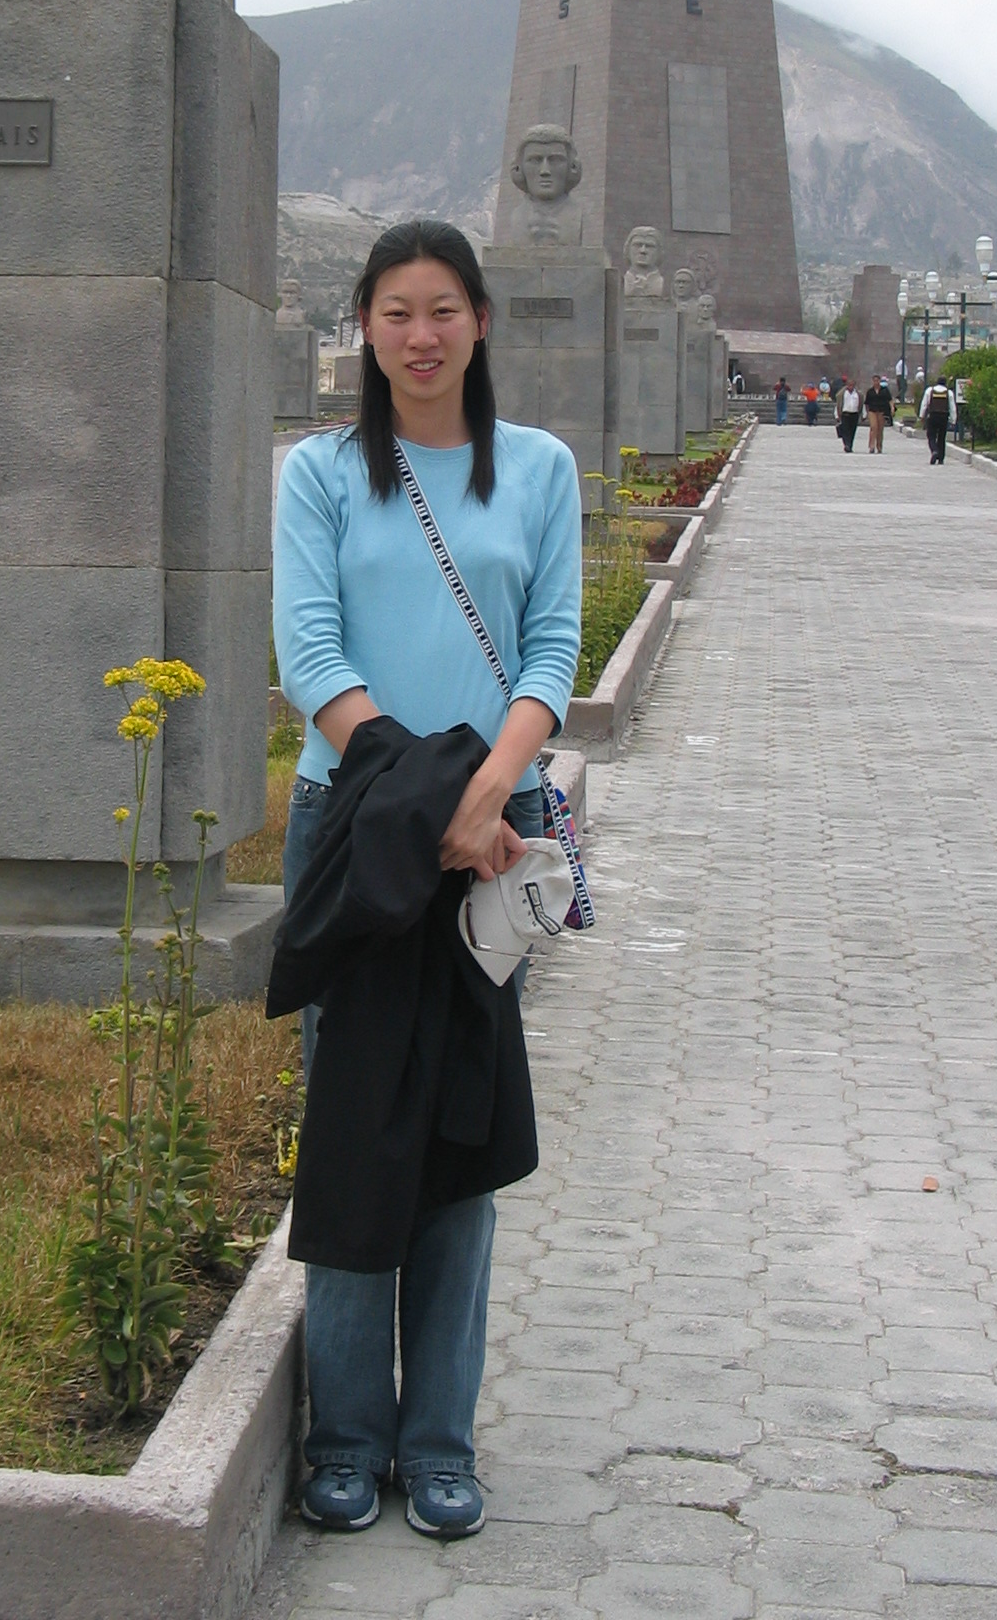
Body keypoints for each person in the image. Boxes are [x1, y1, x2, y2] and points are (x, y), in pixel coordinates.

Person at [272, 219, 582, 1543]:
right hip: (355, 827)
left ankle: (439, 1441)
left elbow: (552, 650)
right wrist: (421, 795)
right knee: (353, 1126)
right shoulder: (321, 473)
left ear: (479, 322)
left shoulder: (541, 469)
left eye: (443, 309)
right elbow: (309, 653)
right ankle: (345, 1437)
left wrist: (484, 794)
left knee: (461, 1132)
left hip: (489, 836)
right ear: (366, 325)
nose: (420, 334)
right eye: (395, 311)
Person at [919, 375, 952, 463]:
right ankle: (941, 458)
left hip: (932, 415)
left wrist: (922, 416)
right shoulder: (949, 392)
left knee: (931, 435)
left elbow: (924, 404)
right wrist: (953, 419)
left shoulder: (930, 390)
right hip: (944, 416)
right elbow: (952, 407)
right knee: (942, 437)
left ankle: (934, 450)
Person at [864, 375, 893, 453]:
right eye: (874, 381)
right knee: (873, 427)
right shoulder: (870, 391)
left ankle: (879, 446)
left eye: (877, 380)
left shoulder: (884, 390)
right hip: (872, 411)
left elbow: (890, 400)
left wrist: (892, 408)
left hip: (881, 411)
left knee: (880, 429)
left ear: (879, 381)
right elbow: (866, 403)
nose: (876, 382)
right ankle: (871, 446)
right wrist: (867, 413)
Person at [837, 376, 862, 452]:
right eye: (849, 385)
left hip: (854, 414)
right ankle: (846, 445)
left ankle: (850, 445)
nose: (851, 386)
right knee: (845, 431)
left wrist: (862, 414)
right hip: (845, 414)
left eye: (852, 385)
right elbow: (838, 404)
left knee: (852, 431)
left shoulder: (858, 394)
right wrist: (838, 414)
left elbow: (861, 403)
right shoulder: (842, 394)